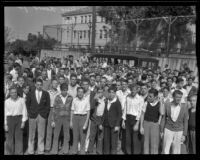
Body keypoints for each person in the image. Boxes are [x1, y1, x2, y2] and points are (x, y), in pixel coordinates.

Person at [26, 78, 50, 155]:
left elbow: (48, 105)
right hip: (32, 115)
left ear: (42, 85)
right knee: (31, 133)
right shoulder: (30, 93)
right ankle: (31, 150)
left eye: (40, 85)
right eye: (38, 85)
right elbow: (27, 104)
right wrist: (29, 113)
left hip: (42, 116)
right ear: (35, 85)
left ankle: (40, 150)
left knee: (41, 134)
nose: (39, 86)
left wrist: (45, 114)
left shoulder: (46, 93)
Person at [161, 90, 189, 154]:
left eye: (180, 97)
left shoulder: (184, 106)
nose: (179, 99)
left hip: (179, 130)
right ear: (173, 97)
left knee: (176, 150)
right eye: (177, 97)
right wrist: (161, 131)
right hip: (168, 128)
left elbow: (185, 121)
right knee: (165, 149)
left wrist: (184, 134)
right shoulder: (167, 104)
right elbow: (163, 118)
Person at [50, 83, 73, 155]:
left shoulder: (70, 97)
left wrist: (71, 120)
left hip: (67, 118)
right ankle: (54, 150)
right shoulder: (57, 97)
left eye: (66, 90)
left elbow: (72, 109)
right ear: (60, 90)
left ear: (67, 90)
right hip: (58, 118)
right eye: (63, 90)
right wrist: (53, 120)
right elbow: (54, 109)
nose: (64, 91)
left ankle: (65, 150)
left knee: (67, 135)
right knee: (56, 134)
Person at [4, 86, 28, 155]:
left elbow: (24, 111)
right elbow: (5, 113)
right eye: (12, 93)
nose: (14, 94)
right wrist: (5, 124)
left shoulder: (21, 100)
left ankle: (19, 152)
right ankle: (9, 153)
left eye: (15, 92)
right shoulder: (6, 102)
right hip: (10, 120)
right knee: (9, 138)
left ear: (17, 93)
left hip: (19, 119)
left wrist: (23, 122)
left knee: (19, 138)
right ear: (10, 93)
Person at [140, 88, 164, 154]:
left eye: (150, 96)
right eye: (148, 95)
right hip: (146, 123)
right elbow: (142, 115)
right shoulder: (146, 103)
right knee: (146, 142)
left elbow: (162, 113)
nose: (148, 97)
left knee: (154, 143)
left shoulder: (159, 104)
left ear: (155, 97)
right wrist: (141, 127)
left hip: (155, 125)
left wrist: (161, 102)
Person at [122, 84, 144, 154]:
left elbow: (140, 111)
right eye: (131, 90)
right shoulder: (127, 97)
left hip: (135, 119)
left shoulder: (140, 99)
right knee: (128, 137)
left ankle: (136, 152)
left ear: (137, 90)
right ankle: (128, 152)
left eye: (134, 90)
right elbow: (125, 108)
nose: (133, 91)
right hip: (128, 118)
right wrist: (123, 120)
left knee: (135, 138)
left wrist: (137, 123)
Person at [101, 85, 122, 154]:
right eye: (110, 92)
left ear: (115, 93)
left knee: (113, 142)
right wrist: (102, 123)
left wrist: (117, 125)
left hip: (114, 125)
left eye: (113, 92)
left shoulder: (117, 103)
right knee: (106, 141)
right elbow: (104, 112)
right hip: (106, 124)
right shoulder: (107, 101)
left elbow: (119, 115)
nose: (111, 94)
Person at [70, 87, 90, 154]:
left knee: (82, 136)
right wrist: (71, 121)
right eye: (79, 91)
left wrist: (86, 123)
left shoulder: (86, 100)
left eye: (81, 92)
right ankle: (74, 151)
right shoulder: (74, 100)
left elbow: (88, 112)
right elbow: (72, 110)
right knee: (75, 135)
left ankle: (82, 151)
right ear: (77, 92)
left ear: (83, 93)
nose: (80, 93)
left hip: (83, 118)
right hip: (75, 118)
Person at [87, 86, 105, 154]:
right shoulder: (94, 99)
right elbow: (91, 107)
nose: (100, 93)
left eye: (101, 92)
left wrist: (101, 122)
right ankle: (90, 150)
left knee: (100, 136)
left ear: (103, 92)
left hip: (101, 119)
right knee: (92, 135)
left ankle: (99, 151)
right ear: (97, 92)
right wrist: (94, 99)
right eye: (98, 92)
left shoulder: (105, 100)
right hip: (94, 119)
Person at [45, 79, 60, 153]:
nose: (55, 84)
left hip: (57, 111)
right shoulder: (47, 92)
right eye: (54, 83)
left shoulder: (59, 93)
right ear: (51, 84)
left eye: (56, 83)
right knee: (49, 129)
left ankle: (55, 147)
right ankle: (48, 147)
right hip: (50, 110)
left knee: (56, 130)